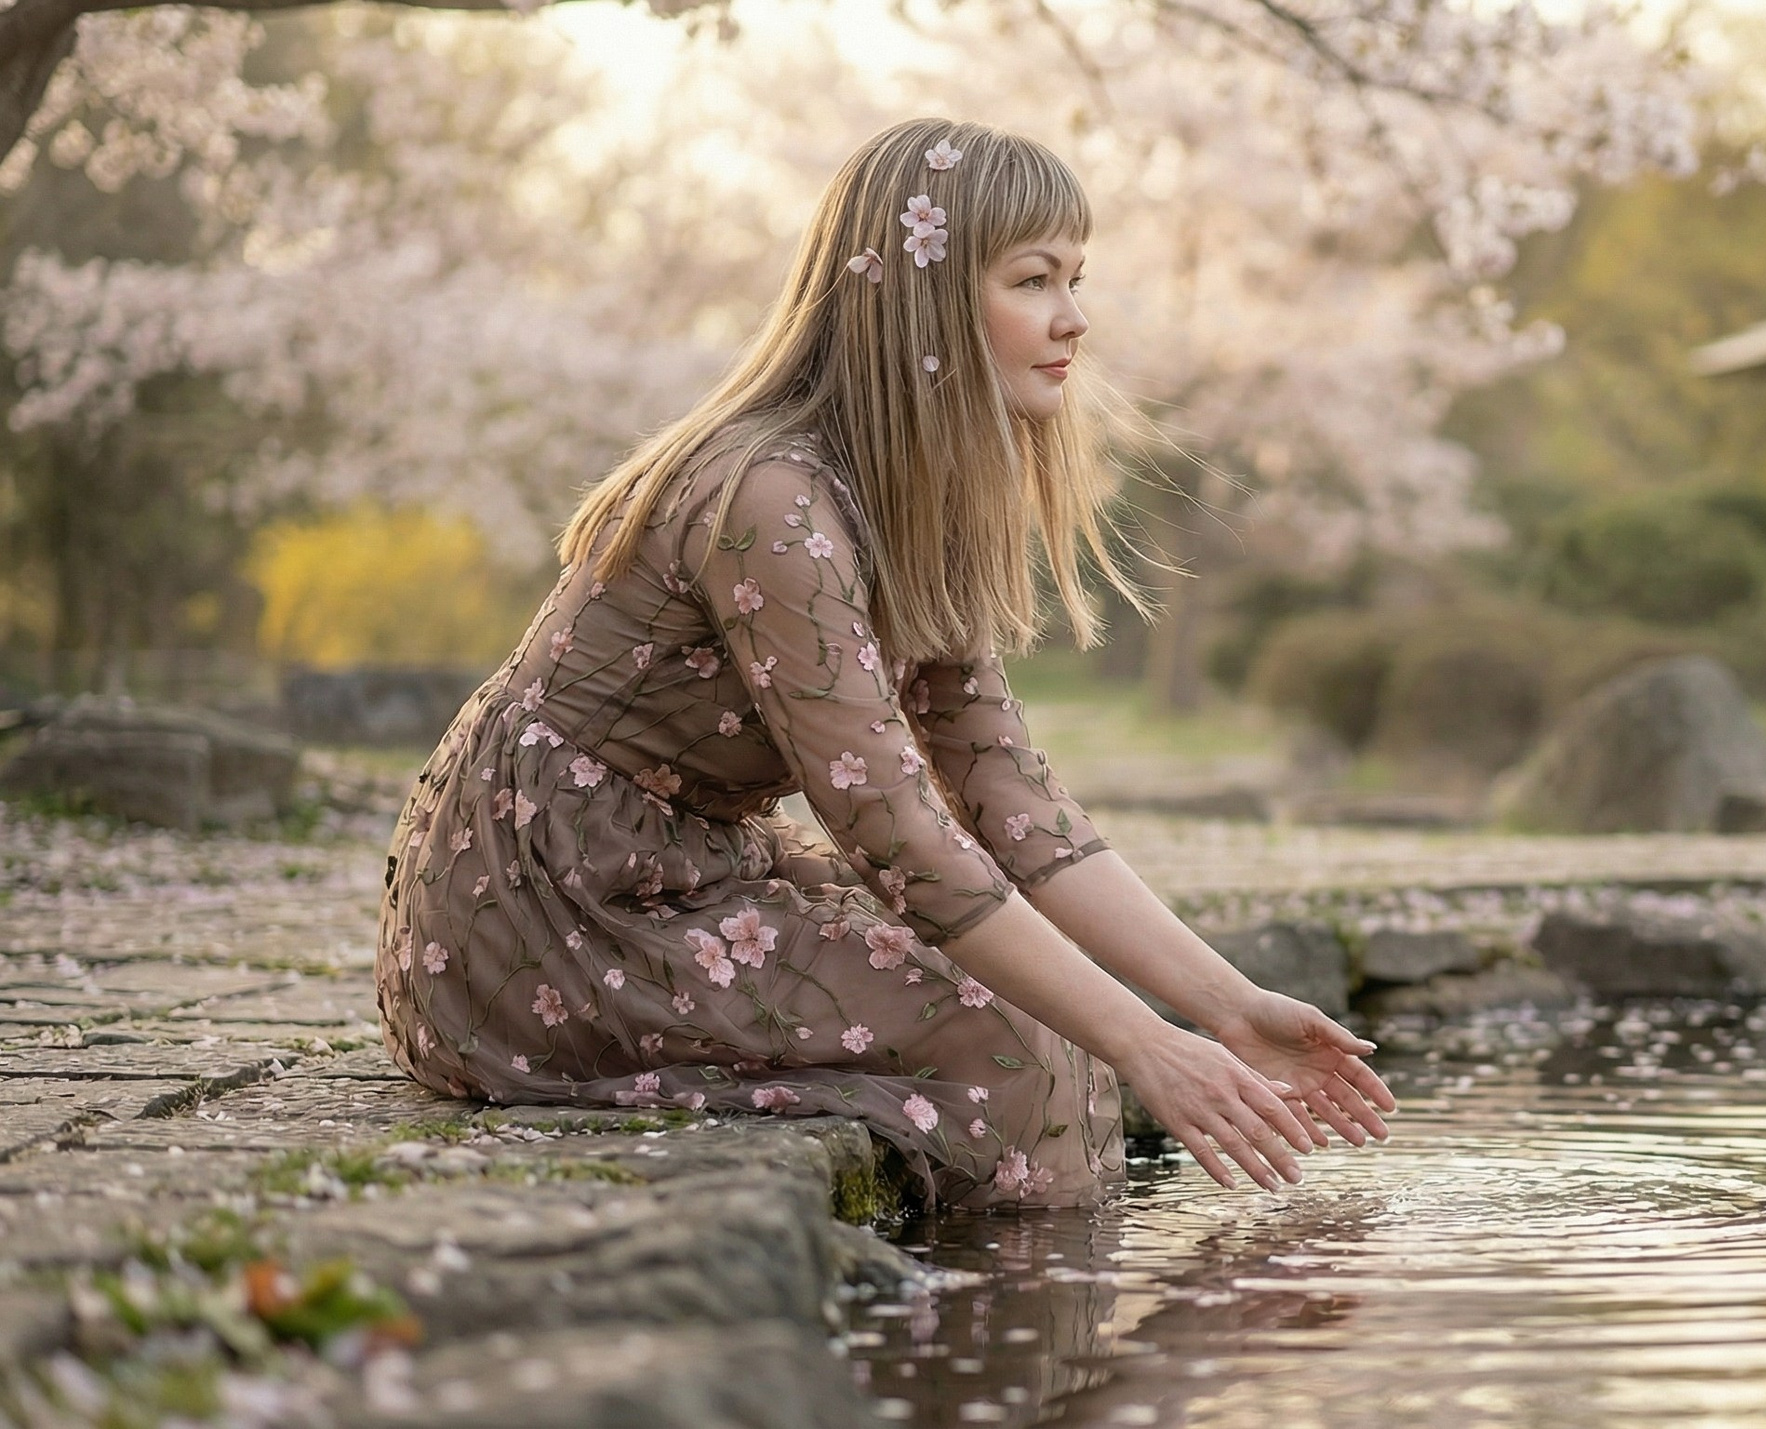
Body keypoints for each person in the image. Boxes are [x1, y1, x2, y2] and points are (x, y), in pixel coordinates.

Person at [375, 118, 1394, 1208]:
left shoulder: (919, 504)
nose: (1074, 318)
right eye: (1034, 279)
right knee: (1013, 1041)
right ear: (928, 301)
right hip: (549, 908)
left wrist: (1224, 1007)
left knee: (1046, 1025)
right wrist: (1149, 1043)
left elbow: (1013, 801)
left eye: (1075, 277)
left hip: (689, 875)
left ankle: (1032, 1343)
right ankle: (1021, 1355)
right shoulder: (768, 495)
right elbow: (896, 829)